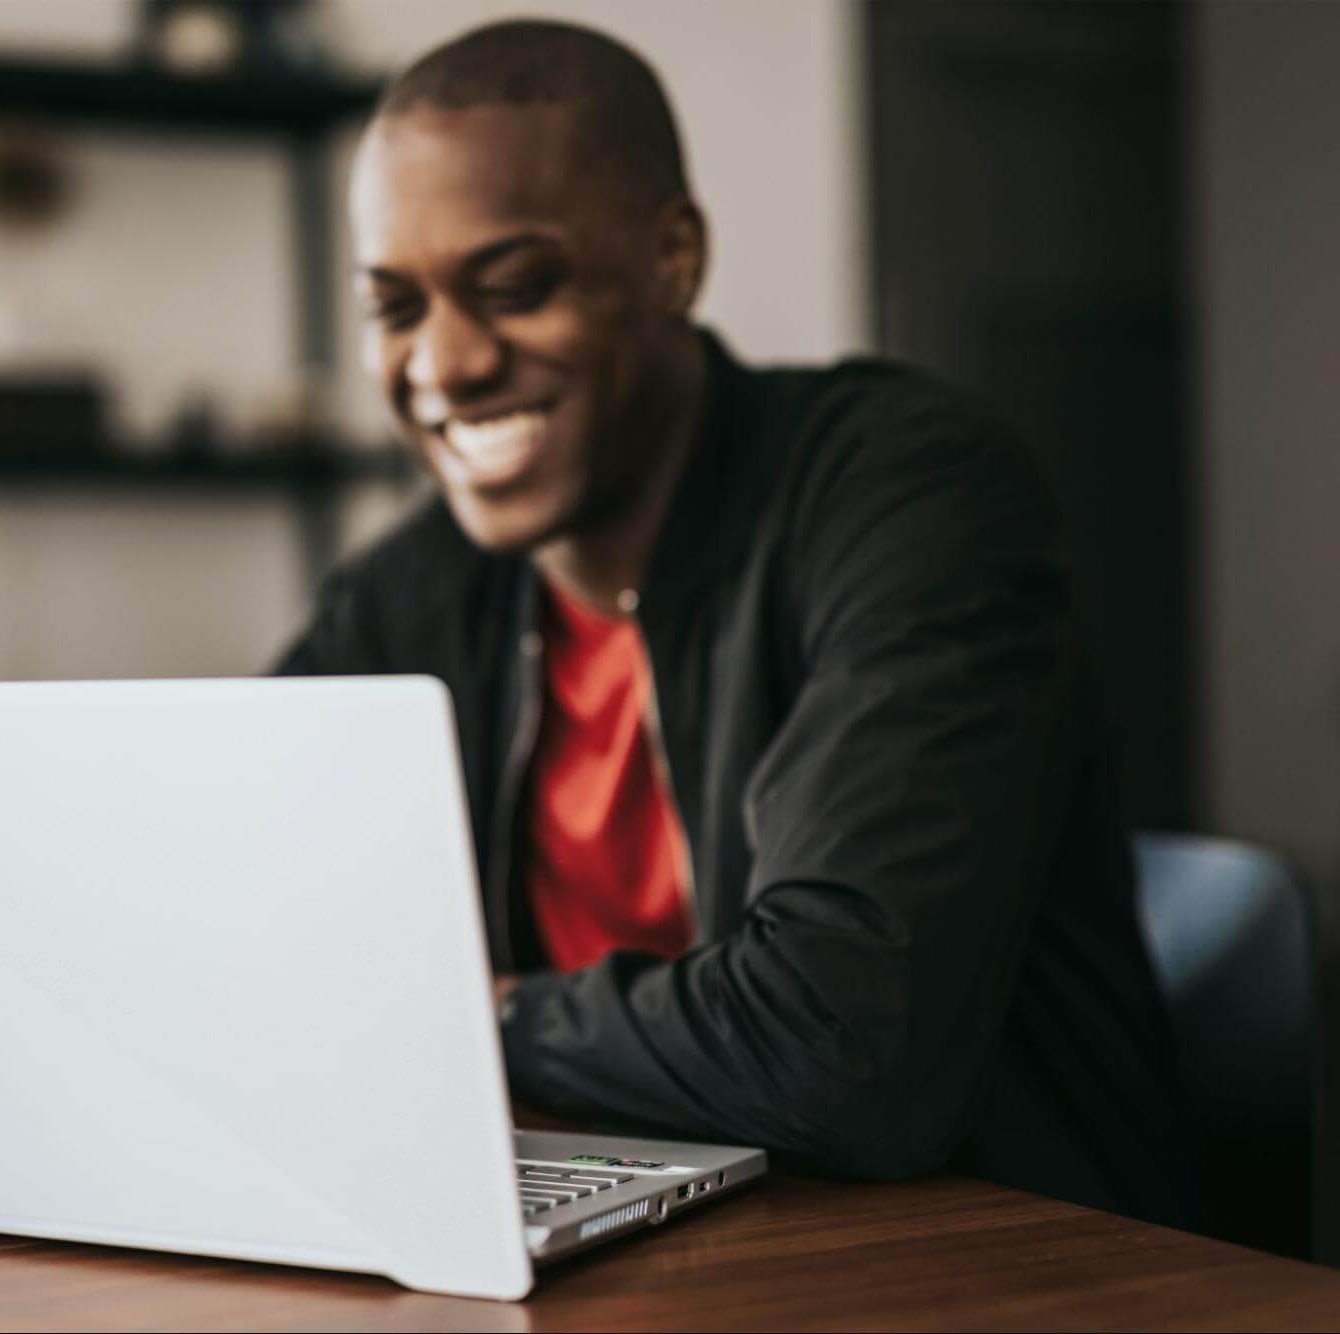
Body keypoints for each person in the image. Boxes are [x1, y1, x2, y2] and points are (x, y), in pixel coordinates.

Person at [278, 18, 1200, 1229]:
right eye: (394, 307)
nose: (442, 364)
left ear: (673, 255)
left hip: (993, 1260)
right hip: (652, 1242)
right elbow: (248, 924)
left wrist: (479, 1012)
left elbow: (839, 1046)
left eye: (514, 287)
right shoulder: (413, 590)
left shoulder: (909, 496)